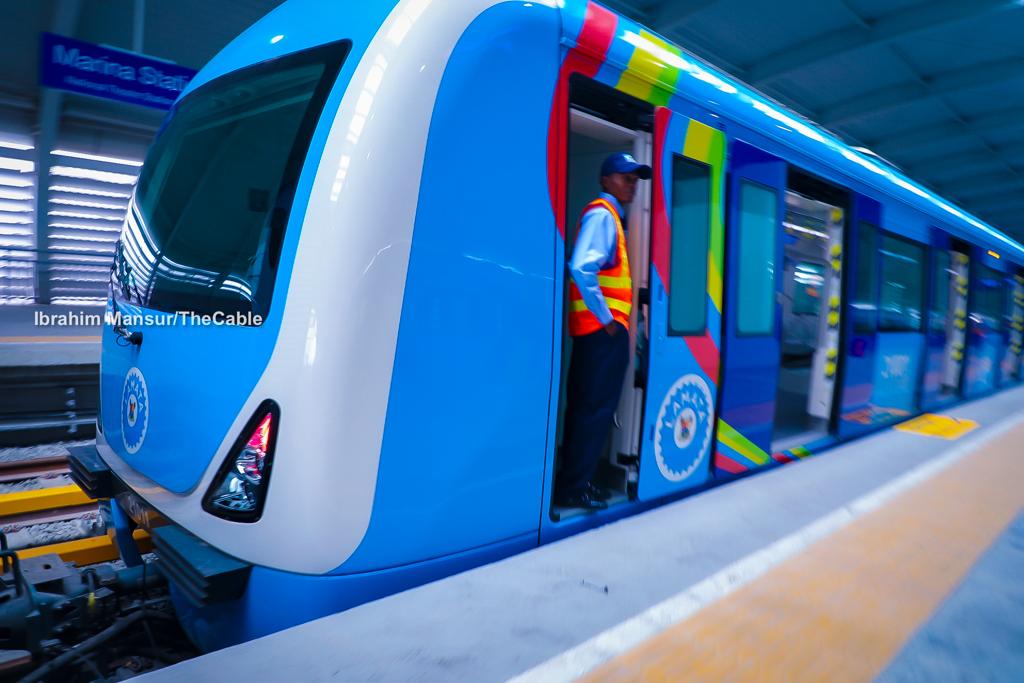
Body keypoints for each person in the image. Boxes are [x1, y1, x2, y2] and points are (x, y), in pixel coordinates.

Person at [555, 152, 651, 510]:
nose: (632, 185)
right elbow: (581, 267)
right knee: (593, 410)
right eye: (625, 177)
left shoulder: (611, 217)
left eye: (635, 179)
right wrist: (608, 319)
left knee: (586, 409)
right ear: (606, 179)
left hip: (594, 335)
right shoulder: (603, 214)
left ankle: (575, 483)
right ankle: (575, 487)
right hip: (601, 335)